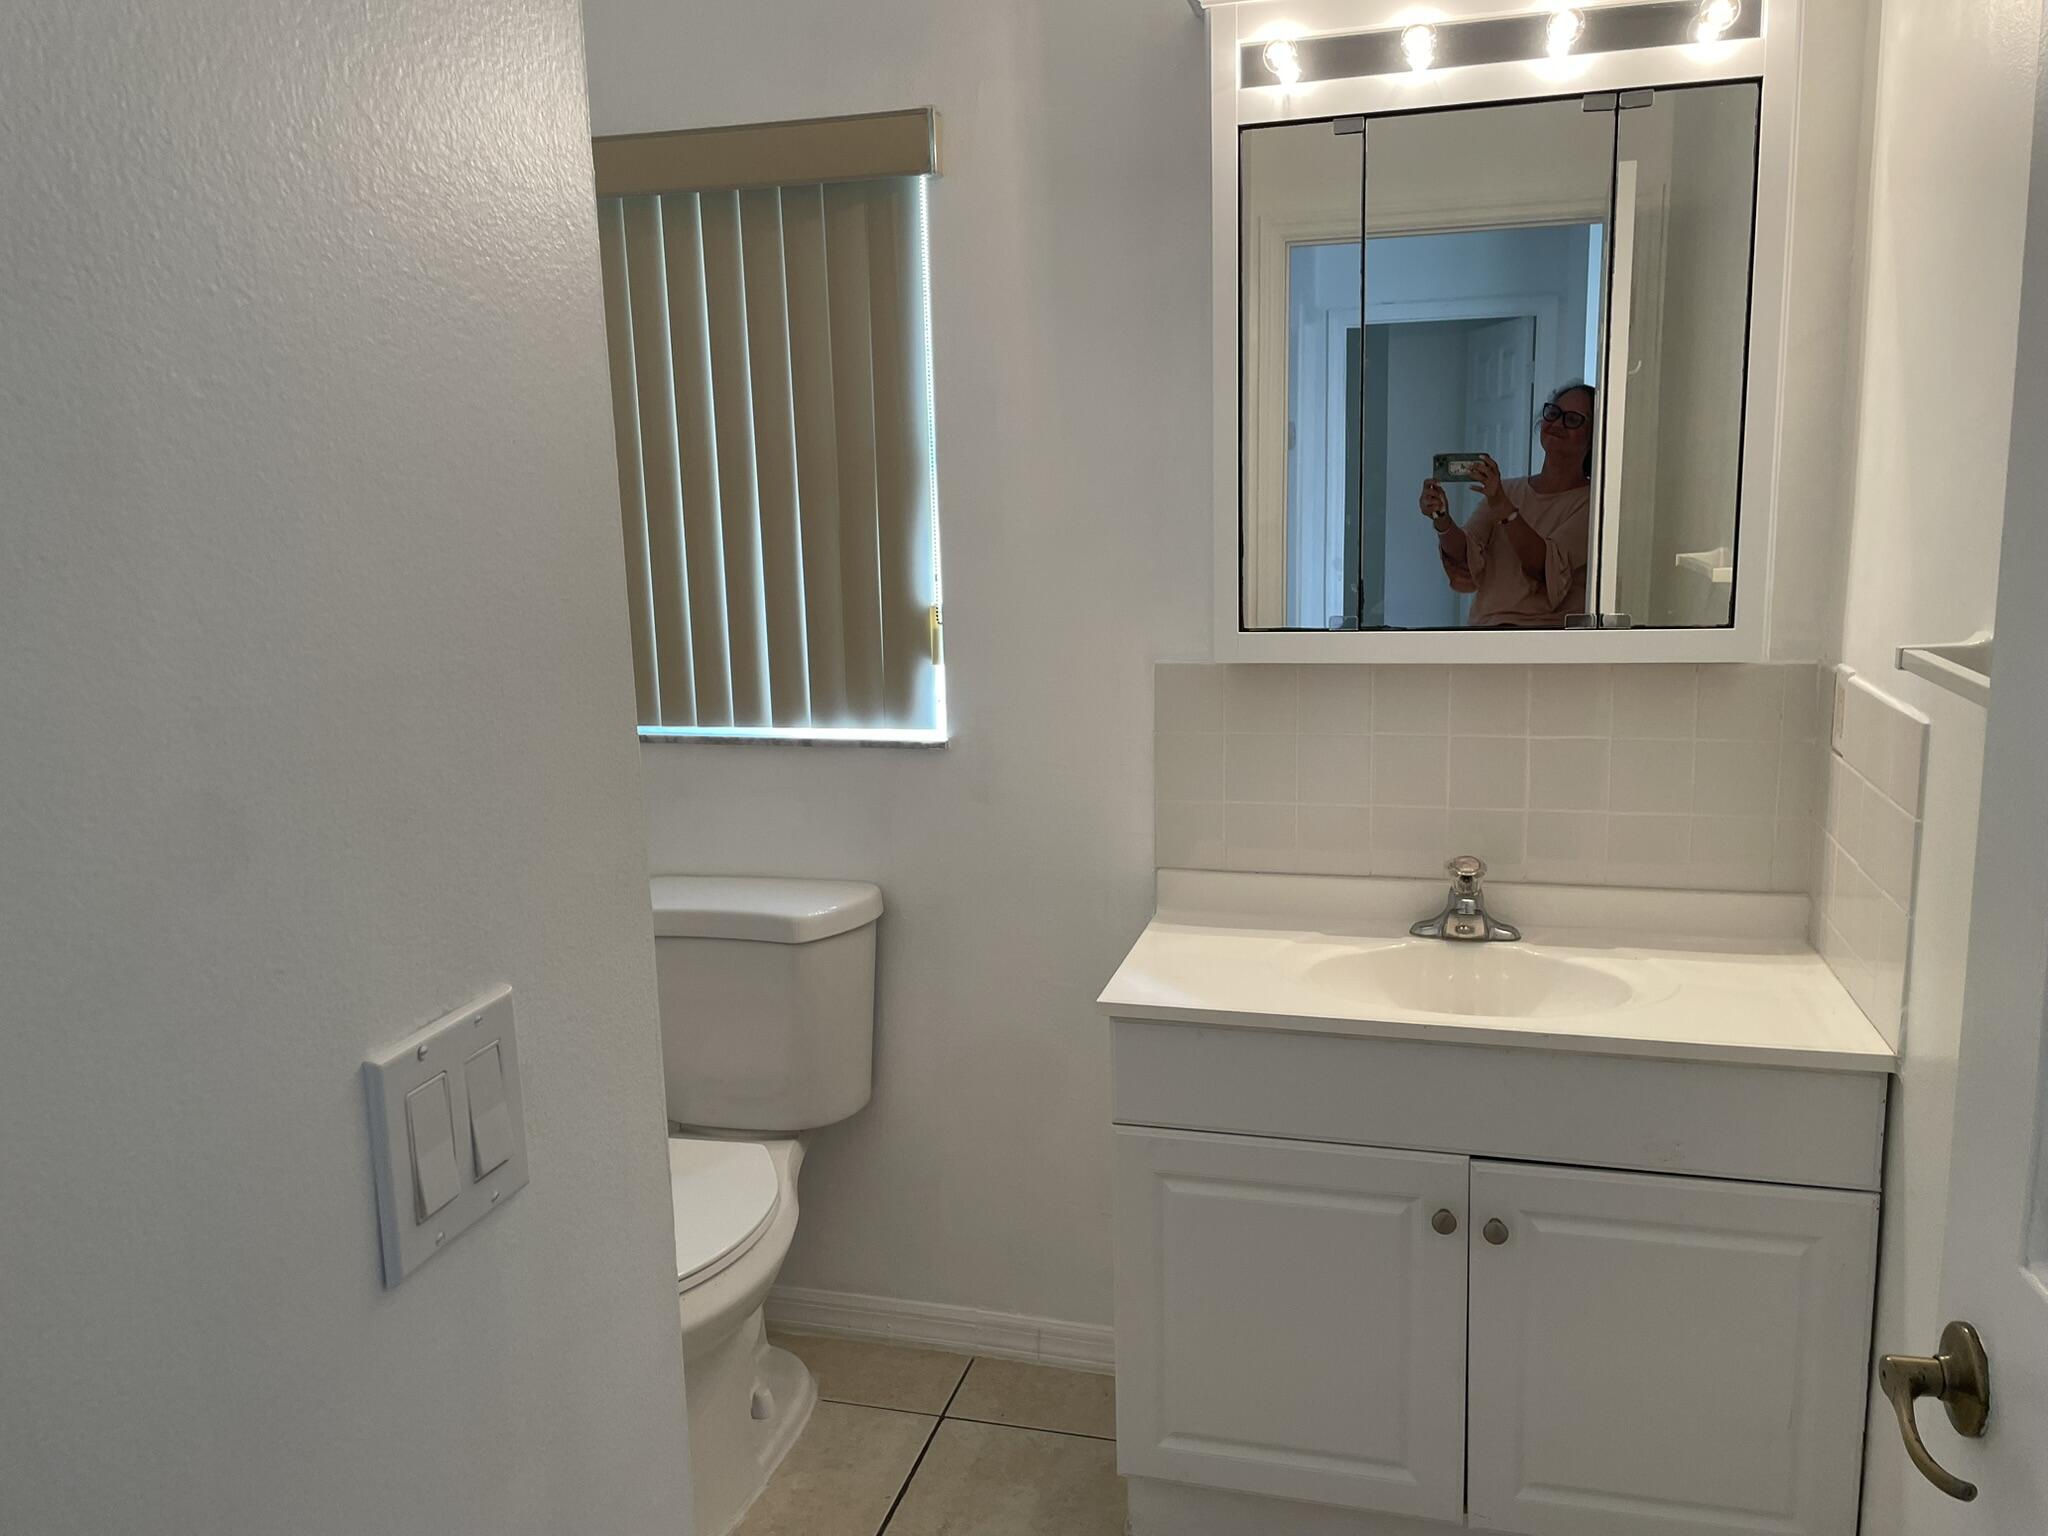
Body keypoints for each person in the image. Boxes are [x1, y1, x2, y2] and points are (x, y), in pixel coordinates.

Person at [1419, 383, 1595, 628]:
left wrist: (1503, 506)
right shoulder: (1508, 491)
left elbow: (1544, 567)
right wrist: (1441, 518)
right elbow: (1465, 556)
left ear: (1594, 437)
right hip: (1485, 634)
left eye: (1573, 419)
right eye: (1553, 413)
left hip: (1546, 638)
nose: (1557, 424)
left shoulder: (1593, 503)